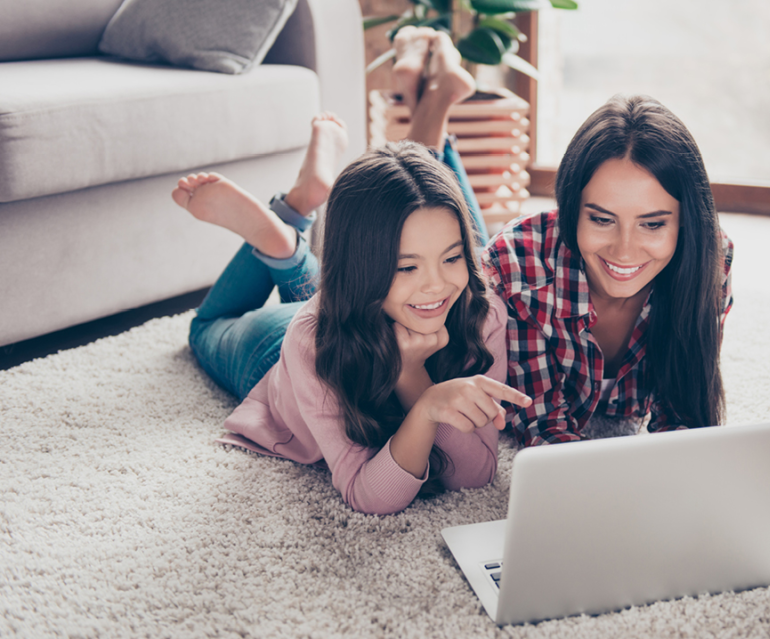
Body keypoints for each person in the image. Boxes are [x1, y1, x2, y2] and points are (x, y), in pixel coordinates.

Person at [174, 27, 530, 515]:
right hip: (280, 356)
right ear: (365, 270)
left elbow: (476, 474)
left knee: (408, 221)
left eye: (453, 257)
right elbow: (366, 494)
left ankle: (291, 232)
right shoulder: (309, 341)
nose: (437, 283)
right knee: (205, 328)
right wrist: (425, 402)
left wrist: (413, 379)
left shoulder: (481, 310)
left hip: (353, 299)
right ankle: (286, 228)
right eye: (406, 266)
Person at [481, 94, 734, 446]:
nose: (624, 250)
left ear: (685, 223)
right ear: (571, 208)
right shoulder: (517, 263)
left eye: (653, 225)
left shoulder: (709, 261)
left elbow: (686, 417)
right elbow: (541, 423)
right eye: (602, 220)